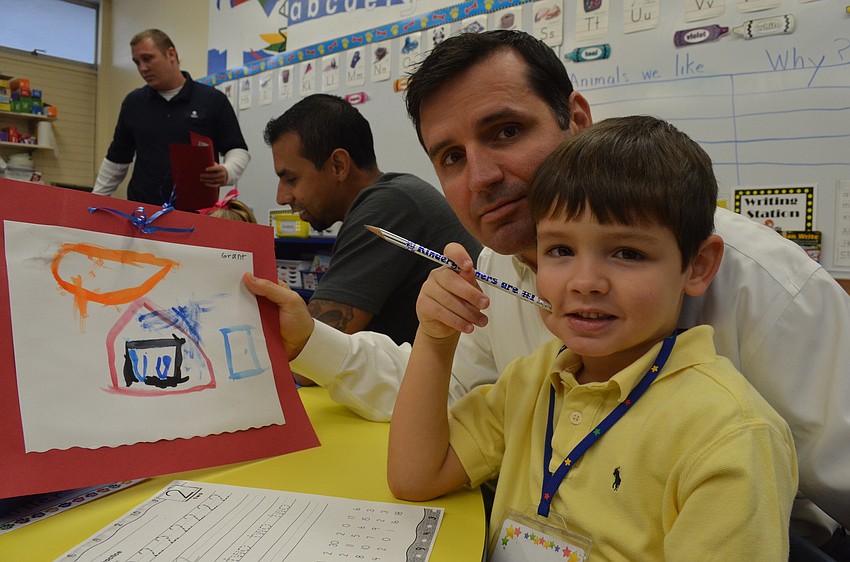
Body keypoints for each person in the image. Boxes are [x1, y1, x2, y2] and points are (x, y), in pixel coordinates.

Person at [244, 30, 850, 545]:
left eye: (506, 131)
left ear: (576, 121)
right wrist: (310, 339)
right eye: (451, 157)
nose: (481, 177)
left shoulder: (762, 284)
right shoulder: (500, 275)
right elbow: (443, 396)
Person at [388, 115, 798, 559]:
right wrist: (437, 337)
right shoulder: (533, 379)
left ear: (697, 266)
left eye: (627, 253)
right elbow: (416, 476)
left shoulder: (729, 434)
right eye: (560, 250)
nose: (584, 282)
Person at [249, 93, 480, 370]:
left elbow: (308, 351)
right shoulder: (394, 195)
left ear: (338, 165)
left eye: (291, 179)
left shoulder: (388, 206)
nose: (282, 197)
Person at [92, 29, 250, 209]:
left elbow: (237, 149)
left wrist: (227, 172)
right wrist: (93, 201)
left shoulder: (212, 100)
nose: (143, 68)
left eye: (147, 58)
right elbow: (116, 160)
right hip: (143, 214)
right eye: (137, 62)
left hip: (197, 213)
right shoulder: (134, 103)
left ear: (171, 54)